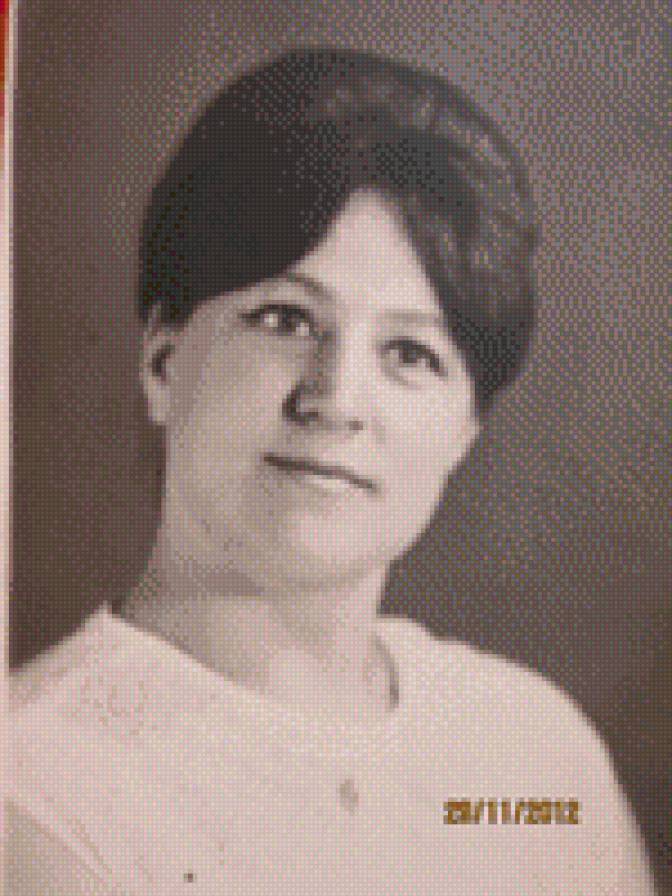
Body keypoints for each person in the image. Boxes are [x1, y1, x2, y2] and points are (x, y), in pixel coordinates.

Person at [7, 48, 655, 895]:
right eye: (285, 319)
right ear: (163, 361)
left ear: (463, 430)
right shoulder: (40, 790)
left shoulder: (535, 747)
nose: (336, 399)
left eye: (410, 353)